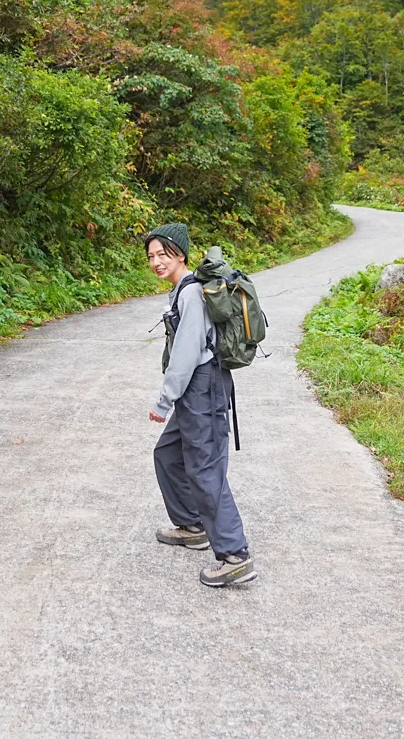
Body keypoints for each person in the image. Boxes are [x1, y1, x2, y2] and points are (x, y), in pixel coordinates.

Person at [143, 222, 256, 587]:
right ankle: (192, 524)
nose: (157, 262)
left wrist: (164, 400)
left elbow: (186, 354)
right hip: (198, 388)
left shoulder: (190, 294)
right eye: (151, 256)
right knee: (168, 454)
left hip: (202, 387)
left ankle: (234, 555)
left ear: (180, 254)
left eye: (163, 254)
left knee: (205, 469)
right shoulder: (181, 291)